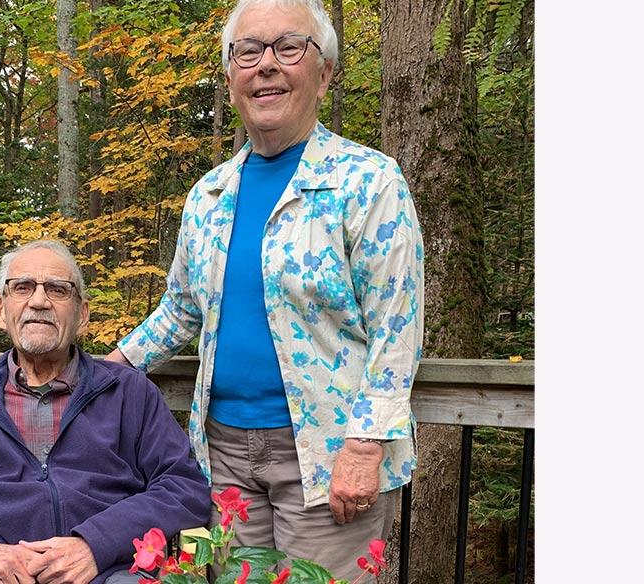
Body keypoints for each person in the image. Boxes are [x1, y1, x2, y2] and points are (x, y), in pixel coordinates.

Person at [104, 0, 424, 579]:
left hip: (327, 455)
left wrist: (364, 446)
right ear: (231, 79)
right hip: (221, 456)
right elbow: (179, 310)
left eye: (288, 47)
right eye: (248, 51)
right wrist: (111, 369)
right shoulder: (210, 194)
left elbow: (396, 330)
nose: (266, 65)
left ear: (323, 72)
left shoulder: (368, 181)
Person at [0, 239, 210, 584]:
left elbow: (183, 487)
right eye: (22, 287)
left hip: (107, 571)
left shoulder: (130, 394)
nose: (39, 301)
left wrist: (96, 544)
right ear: (1, 310)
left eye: (58, 289)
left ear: (82, 315)